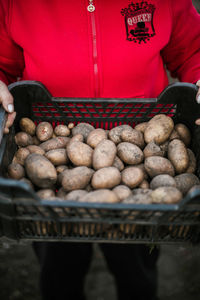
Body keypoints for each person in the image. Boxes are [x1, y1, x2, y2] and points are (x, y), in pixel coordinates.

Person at [0, 1, 200, 299]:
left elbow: (192, 51)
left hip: (141, 161)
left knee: (137, 273)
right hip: (51, 182)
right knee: (59, 273)